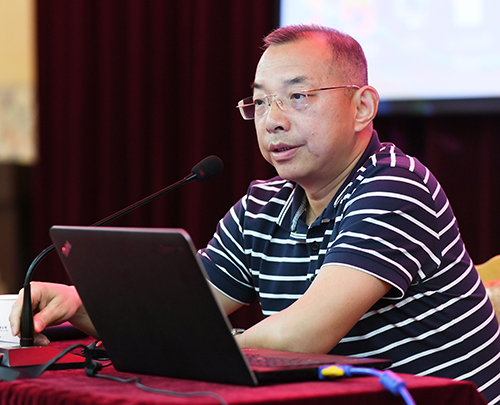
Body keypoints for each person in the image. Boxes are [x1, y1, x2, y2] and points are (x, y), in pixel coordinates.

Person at [10, 24, 500, 403]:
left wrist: (196, 345)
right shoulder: (263, 205)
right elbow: (174, 319)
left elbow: (301, 335)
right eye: (261, 102)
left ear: (361, 107)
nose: (273, 120)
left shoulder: (396, 186)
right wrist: (75, 302)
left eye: (298, 96)